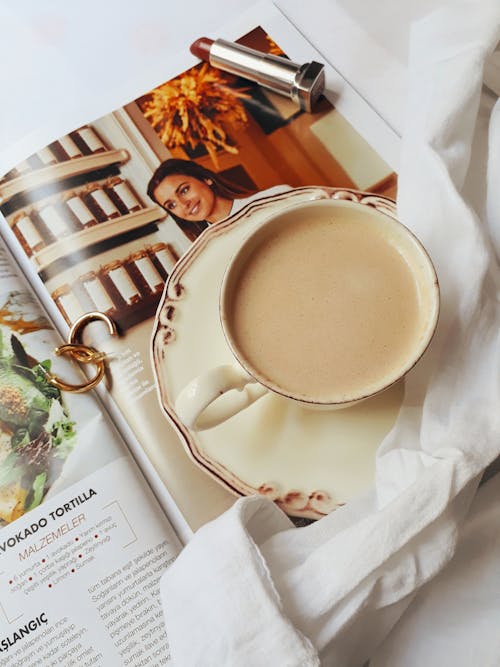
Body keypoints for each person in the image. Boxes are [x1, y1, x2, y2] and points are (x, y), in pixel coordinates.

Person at [147, 158, 289, 241]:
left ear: (205, 179)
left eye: (184, 190)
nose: (184, 205)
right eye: (172, 205)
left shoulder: (275, 198)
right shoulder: (209, 251)